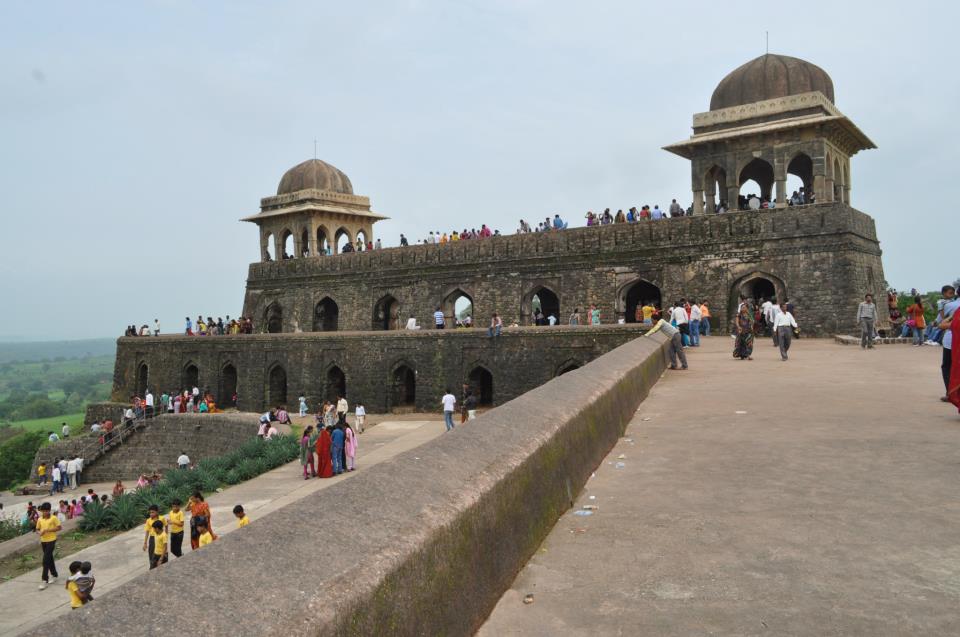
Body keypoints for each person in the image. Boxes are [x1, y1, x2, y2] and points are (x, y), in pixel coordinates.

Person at [938, 286, 959, 402]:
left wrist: (950, 317)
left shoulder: (949, 306)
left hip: (952, 341)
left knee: (948, 366)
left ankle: (950, 392)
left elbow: (941, 323)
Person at [36, 502, 61, 590]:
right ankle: (54, 575)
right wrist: (40, 533)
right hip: (43, 541)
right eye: (44, 511)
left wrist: (48, 530)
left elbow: (59, 527)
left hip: (51, 540)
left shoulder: (54, 518)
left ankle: (44, 580)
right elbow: (37, 529)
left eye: (47, 511)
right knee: (49, 558)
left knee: (45, 560)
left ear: (49, 510)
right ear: (41, 511)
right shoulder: (39, 519)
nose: (45, 512)